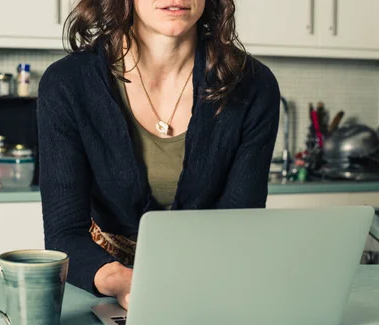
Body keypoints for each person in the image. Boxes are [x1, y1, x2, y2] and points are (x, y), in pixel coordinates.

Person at [38, 0, 280, 309]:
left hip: (209, 285)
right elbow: (64, 234)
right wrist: (124, 284)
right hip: (105, 287)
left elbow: (239, 225)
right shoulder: (67, 83)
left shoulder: (253, 85)